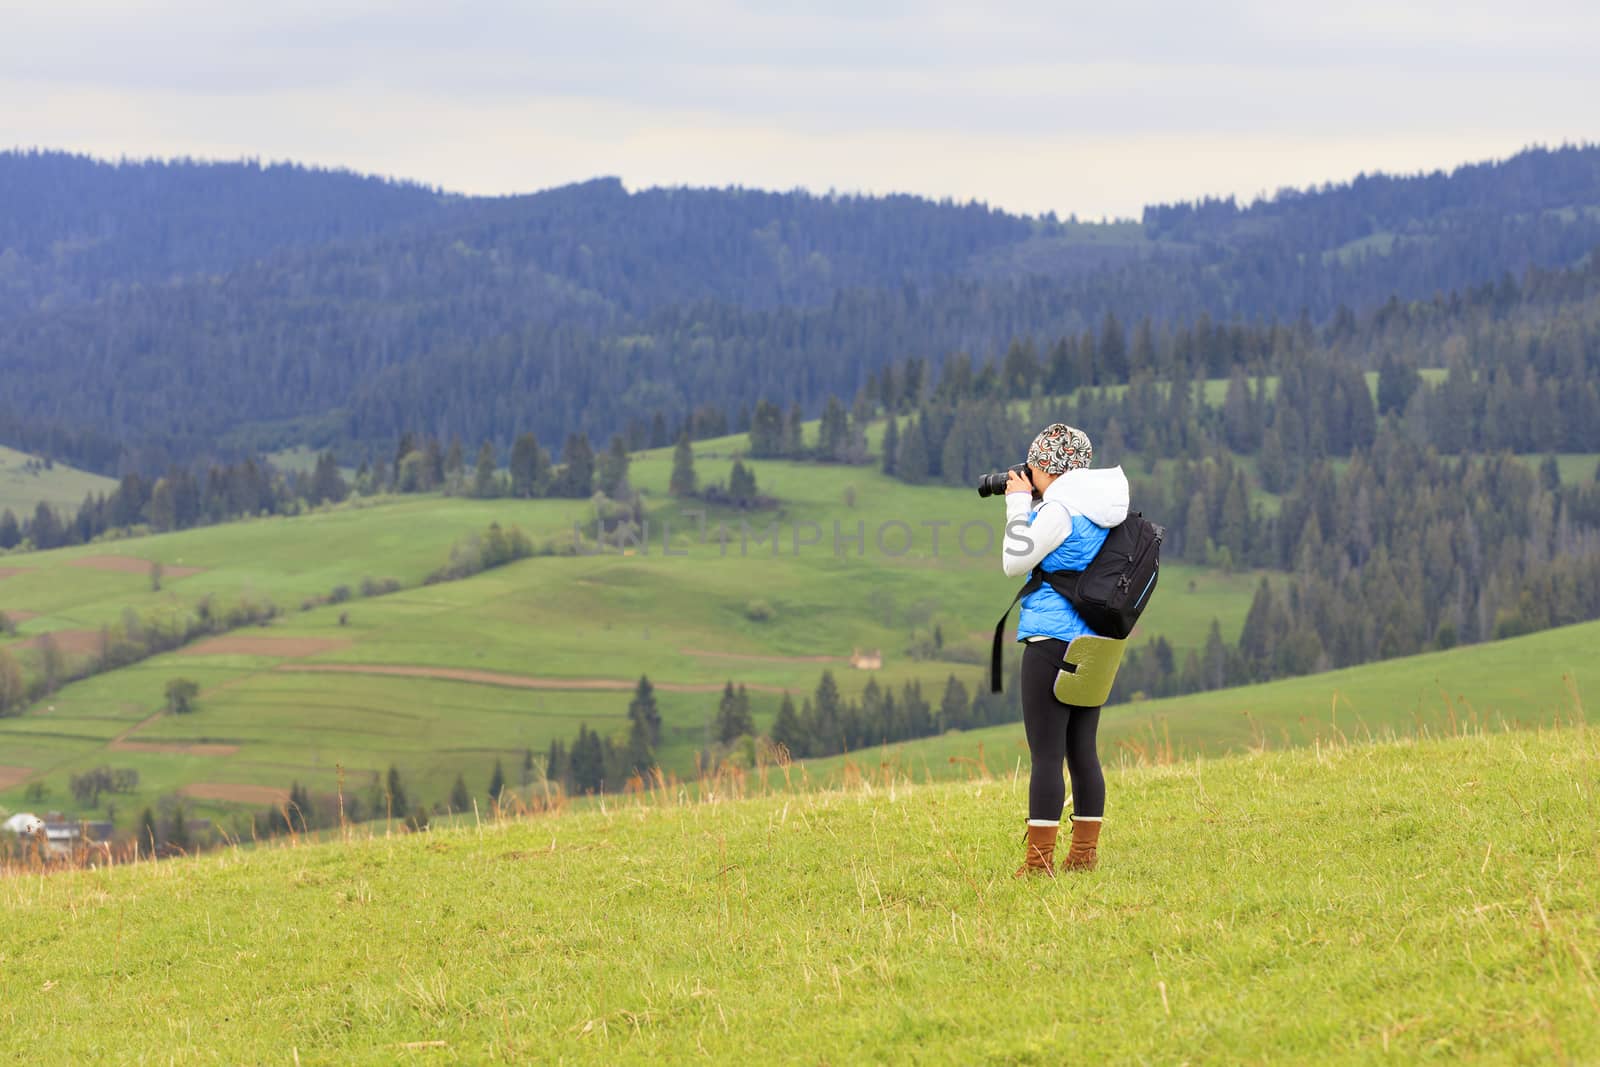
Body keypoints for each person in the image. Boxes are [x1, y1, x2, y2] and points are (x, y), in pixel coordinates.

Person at [1001, 423, 1128, 877]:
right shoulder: (1104, 509)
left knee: (1047, 756)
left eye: (1033, 468)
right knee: (1083, 751)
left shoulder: (1058, 510)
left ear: (1045, 468)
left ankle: (1038, 864)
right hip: (1094, 641)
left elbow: (1014, 563)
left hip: (1050, 641)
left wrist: (1018, 505)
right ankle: (1084, 855)